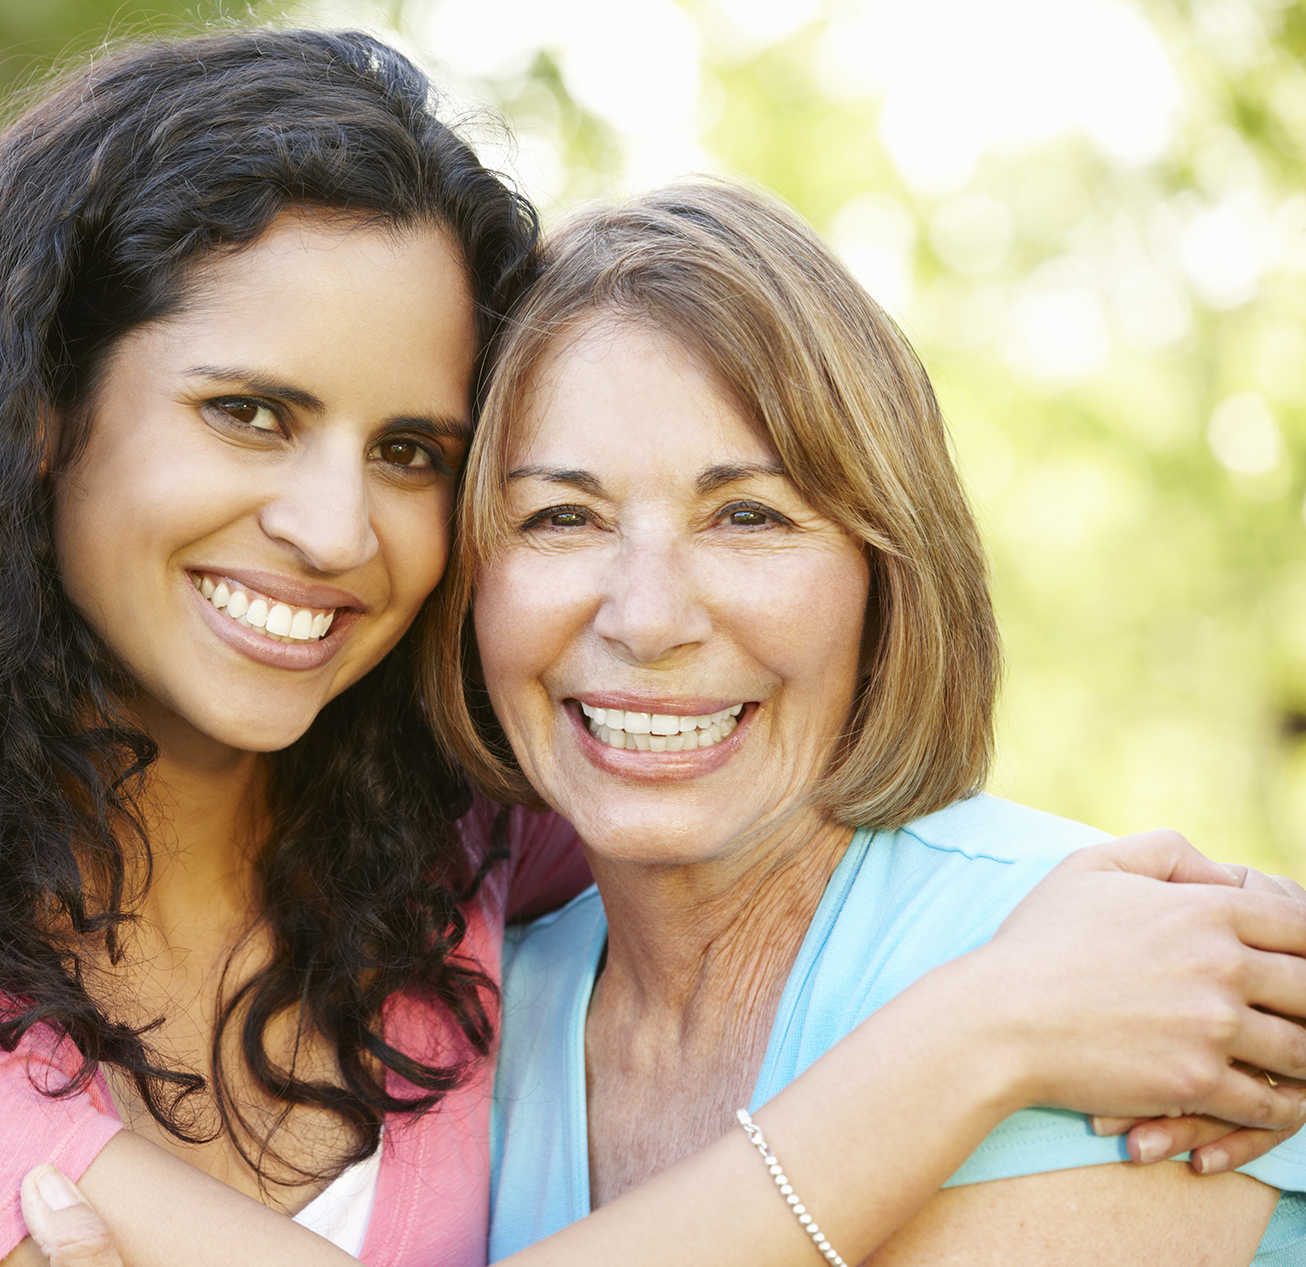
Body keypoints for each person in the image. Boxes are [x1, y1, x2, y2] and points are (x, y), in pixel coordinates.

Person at [0, 28, 1306, 1267]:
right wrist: (980, 1034)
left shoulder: (449, 871)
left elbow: (759, 820)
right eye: (250, 412)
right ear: (37, 416)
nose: (337, 528)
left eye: (413, 453)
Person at [431, 179, 1306, 1264]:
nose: (647, 618)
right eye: (560, 516)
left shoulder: (1116, 973)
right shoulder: (476, 1011)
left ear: (882, 573)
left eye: (747, 515)